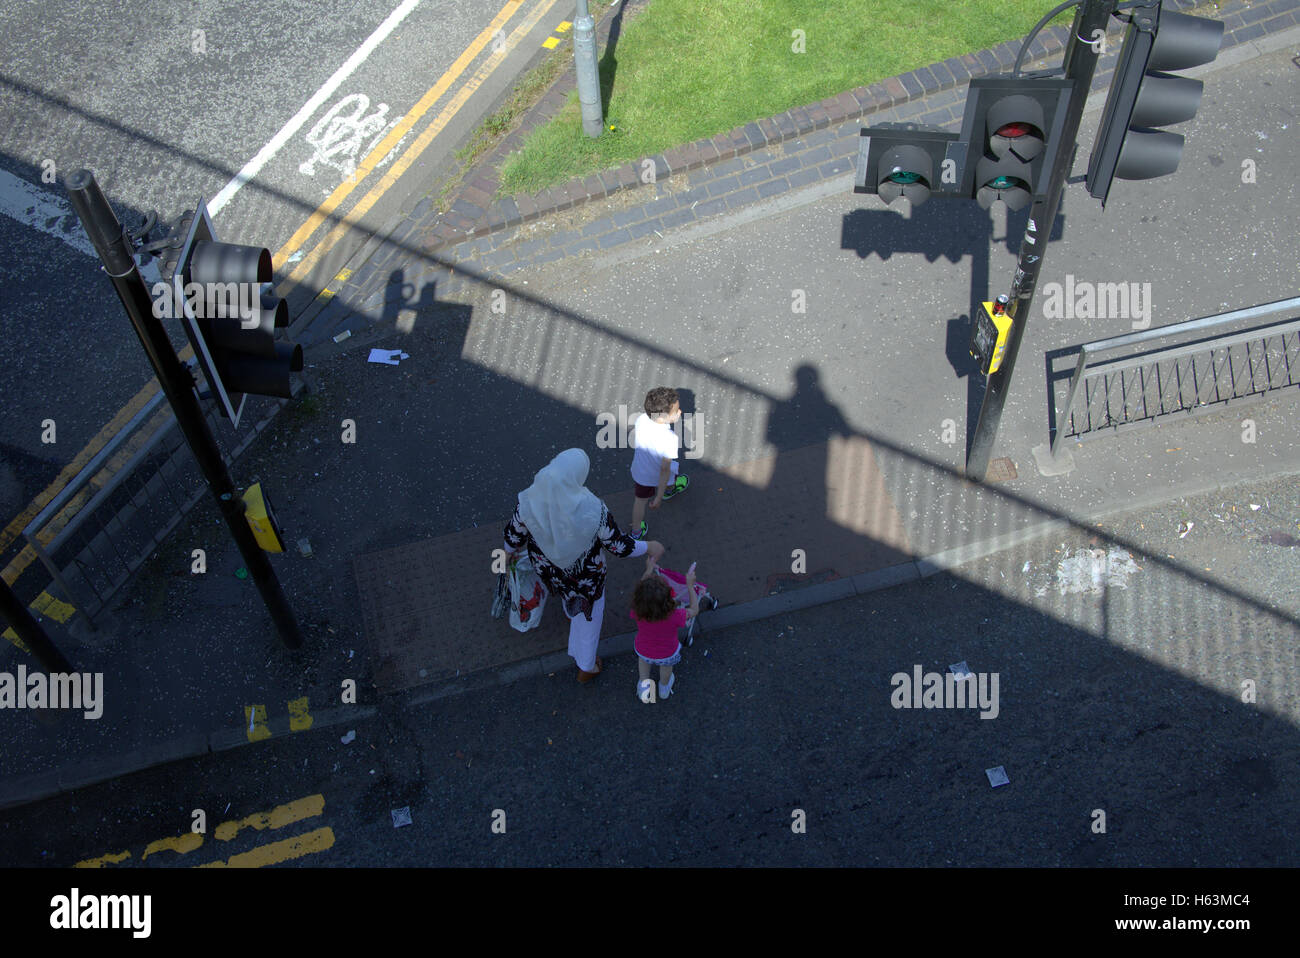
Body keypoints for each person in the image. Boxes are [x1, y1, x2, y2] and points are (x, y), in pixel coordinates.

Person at [504, 448, 665, 683]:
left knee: (565, 594)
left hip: (549, 569)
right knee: (590, 620)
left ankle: (570, 611)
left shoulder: (529, 499)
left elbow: (513, 535)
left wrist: (506, 556)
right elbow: (618, 546)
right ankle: (586, 665)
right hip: (586, 578)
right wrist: (649, 546)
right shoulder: (593, 509)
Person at [630, 558, 699, 701]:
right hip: (667, 652)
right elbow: (694, 610)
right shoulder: (675, 615)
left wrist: (648, 569)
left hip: (643, 648)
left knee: (643, 663)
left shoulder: (637, 611)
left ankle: (643, 687)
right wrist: (690, 586)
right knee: (666, 669)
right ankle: (664, 688)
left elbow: (640, 591)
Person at [629, 386, 690, 540]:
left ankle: (636, 532)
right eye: (676, 411)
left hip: (640, 471)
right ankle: (669, 491)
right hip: (657, 472)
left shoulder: (642, 419)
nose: (680, 412)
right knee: (670, 475)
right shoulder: (669, 439)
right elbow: (664, 469)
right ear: (662, 418)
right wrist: (658, 496)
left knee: (640, 501)